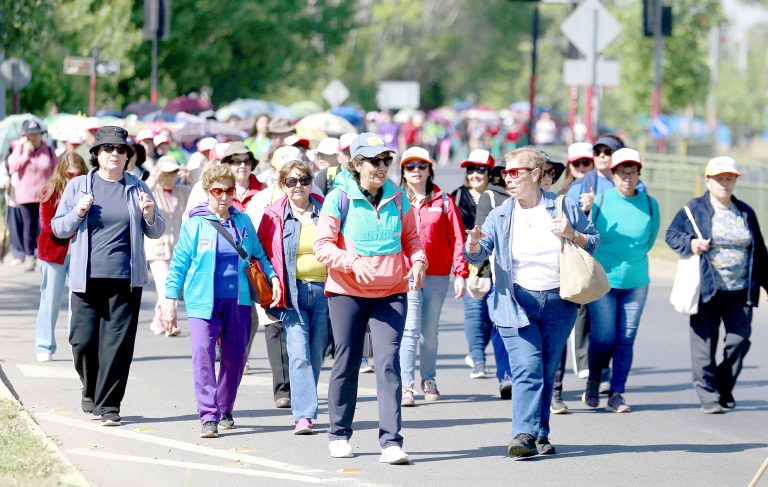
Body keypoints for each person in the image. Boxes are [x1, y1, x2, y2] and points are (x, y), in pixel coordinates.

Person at [464, 147, 599, 458]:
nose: (507, 178)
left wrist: (573, 234)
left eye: (515, 172)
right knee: (527, 367)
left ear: (536, 174)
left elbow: (593, 240)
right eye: (505, 173)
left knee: (546, 369)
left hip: (559, 301)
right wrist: (472, 244)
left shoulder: (563, 207)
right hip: (515, 301)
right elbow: (478, 252)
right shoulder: (500, 214)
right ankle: (522, 434)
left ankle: (541, 433)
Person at [313, 132, 426, 464]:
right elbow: (323, 246)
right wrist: (352, 261)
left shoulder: (399, 198)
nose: (382, 167)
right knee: (346, 361)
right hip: (347, 292)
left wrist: (419, 260)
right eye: (374, 161)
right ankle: (338, 434)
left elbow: (412, 239)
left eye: (386, 161)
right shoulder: (338, 198)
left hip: (391, 291)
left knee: (388, 363)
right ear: (356, 163)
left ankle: (390, 441)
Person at [52, 126, 166, 426]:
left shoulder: (138, 187)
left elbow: (156, 230)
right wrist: (77, 212)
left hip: (125, 280)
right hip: (85, 278)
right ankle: (90, 387)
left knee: (117, 346)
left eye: (120, 150)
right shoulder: (79, 186)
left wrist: (150, 215)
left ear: (128, 155)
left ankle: (109, 405)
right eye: (108, 149)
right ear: (97, 155)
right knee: (83, 341)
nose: (115, 154)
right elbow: (59, 228)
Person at [162, 164, 279, 438]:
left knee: (235, 358)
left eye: (229, 190)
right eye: (218, 191)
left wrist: (272, 277)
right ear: (207, 192)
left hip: (237, 300)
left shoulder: (243, 222)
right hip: (202, 300)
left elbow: (258, 255)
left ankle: (225, 407)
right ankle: (208, 415)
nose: (224, 196)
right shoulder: (194, 224)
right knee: (203, 354)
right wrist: (169, 301)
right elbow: (178, 264)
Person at [665, 156, 768, 414]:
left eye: (729, 178)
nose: (725, 183)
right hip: (707, 288)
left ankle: (724, 386)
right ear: (708, 181)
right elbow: (672, 234)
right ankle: (708, 395)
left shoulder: (744, 211)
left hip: (739, 290)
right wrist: (690, 243)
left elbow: (760, 252)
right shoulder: (694, 208)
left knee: (739, 341)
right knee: (704, 344)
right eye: (719, 178)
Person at [583, 149, 660, 413]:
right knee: (604, 337)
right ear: (613, 175)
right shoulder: (600, 203)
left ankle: (617, 393)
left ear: (639, 174)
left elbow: (649, 240)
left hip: (636, 280)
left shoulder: (650, 204)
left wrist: (631, 261)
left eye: (632, 172)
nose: (628, 177)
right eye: (622, 172)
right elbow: (590, 238)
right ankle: (594, 381)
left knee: (626, 338)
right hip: (604, 281)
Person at [258, 159, 328, 434]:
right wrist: (272, 281)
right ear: (282, 185)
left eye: (304, 180)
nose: (298, 186)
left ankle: (305, 403)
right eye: (291, 181)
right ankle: (304, 414)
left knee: (316, 354)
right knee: (298, 355)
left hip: (325, 290)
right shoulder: (273, 215)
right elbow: (262, 253)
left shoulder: (327, 210)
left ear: (311, 182)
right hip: (292, 293)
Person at [397, 146, 468, 406]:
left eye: (421, 166)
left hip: (437, 274)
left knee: (429, 331)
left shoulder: (444, 200)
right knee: (410, 328)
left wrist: (461, 273)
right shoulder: (395, 199)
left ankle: (428, 377)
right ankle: (406, 385)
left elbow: (458, 239)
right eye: (410, 166)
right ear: (403, 172)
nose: (416, 171)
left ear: (430, 170)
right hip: (406, 275)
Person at [451, 149, 505, 382]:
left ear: (490, 173)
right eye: (471, 169)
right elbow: (454, 236)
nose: (474, 174)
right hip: (471, 264)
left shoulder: (499, 196)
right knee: (474, 313)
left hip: (498, 263)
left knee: (494, 316)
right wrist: (459, 268)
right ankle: (478, 359)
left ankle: (482, 354)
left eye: (481, 170)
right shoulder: (456, 197)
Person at [34, 152, 88, 362]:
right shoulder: (50, 191)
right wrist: (74, 218)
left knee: (78, 302)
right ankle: (44, 345)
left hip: (79, 253)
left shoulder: (89, 191)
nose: (73, 179)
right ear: (61, 173)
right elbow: (48, 226)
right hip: (53, 252)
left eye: (78, 174)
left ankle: (78, 348)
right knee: (50, 300)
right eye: (69, 174)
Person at [144, 156, 192, 337]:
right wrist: (155, 175)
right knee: (165, 289)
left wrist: (189, 176)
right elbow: (142, 190)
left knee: (170, 288)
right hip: (157, 249)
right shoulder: (152, 191)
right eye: (167, 173)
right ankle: (170, 324)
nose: (170, 177)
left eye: (173, 172)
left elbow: (200, 193)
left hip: (177, 248)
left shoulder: (182, 190)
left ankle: (158, 321)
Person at [8, 120, 57, 271]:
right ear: (26, 136)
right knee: (28, 226)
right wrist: (26, 154)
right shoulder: (20, 149)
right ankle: (30, 256)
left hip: (45, 195)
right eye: (30, 135)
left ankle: (43, 255)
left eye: (36, 134)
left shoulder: (48, 149)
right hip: (25, 195)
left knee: (43, 226)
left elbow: (56, 168)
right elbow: (13, 168)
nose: (34, 137)